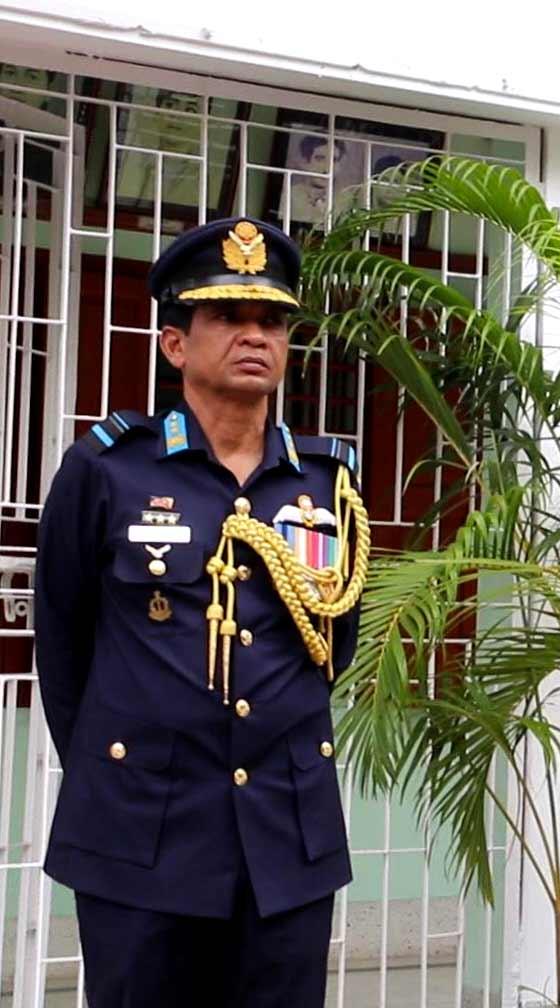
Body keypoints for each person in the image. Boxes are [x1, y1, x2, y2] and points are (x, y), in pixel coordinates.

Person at [33, 217, 369, 1007]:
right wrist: (133, 760)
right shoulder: (108, 469)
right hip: (142, 830)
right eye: (227, 317)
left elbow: (333, 642)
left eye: (272, 321)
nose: (255, 336)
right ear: (175, 344)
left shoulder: (324, 484)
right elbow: (64, 644)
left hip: (286, 840)